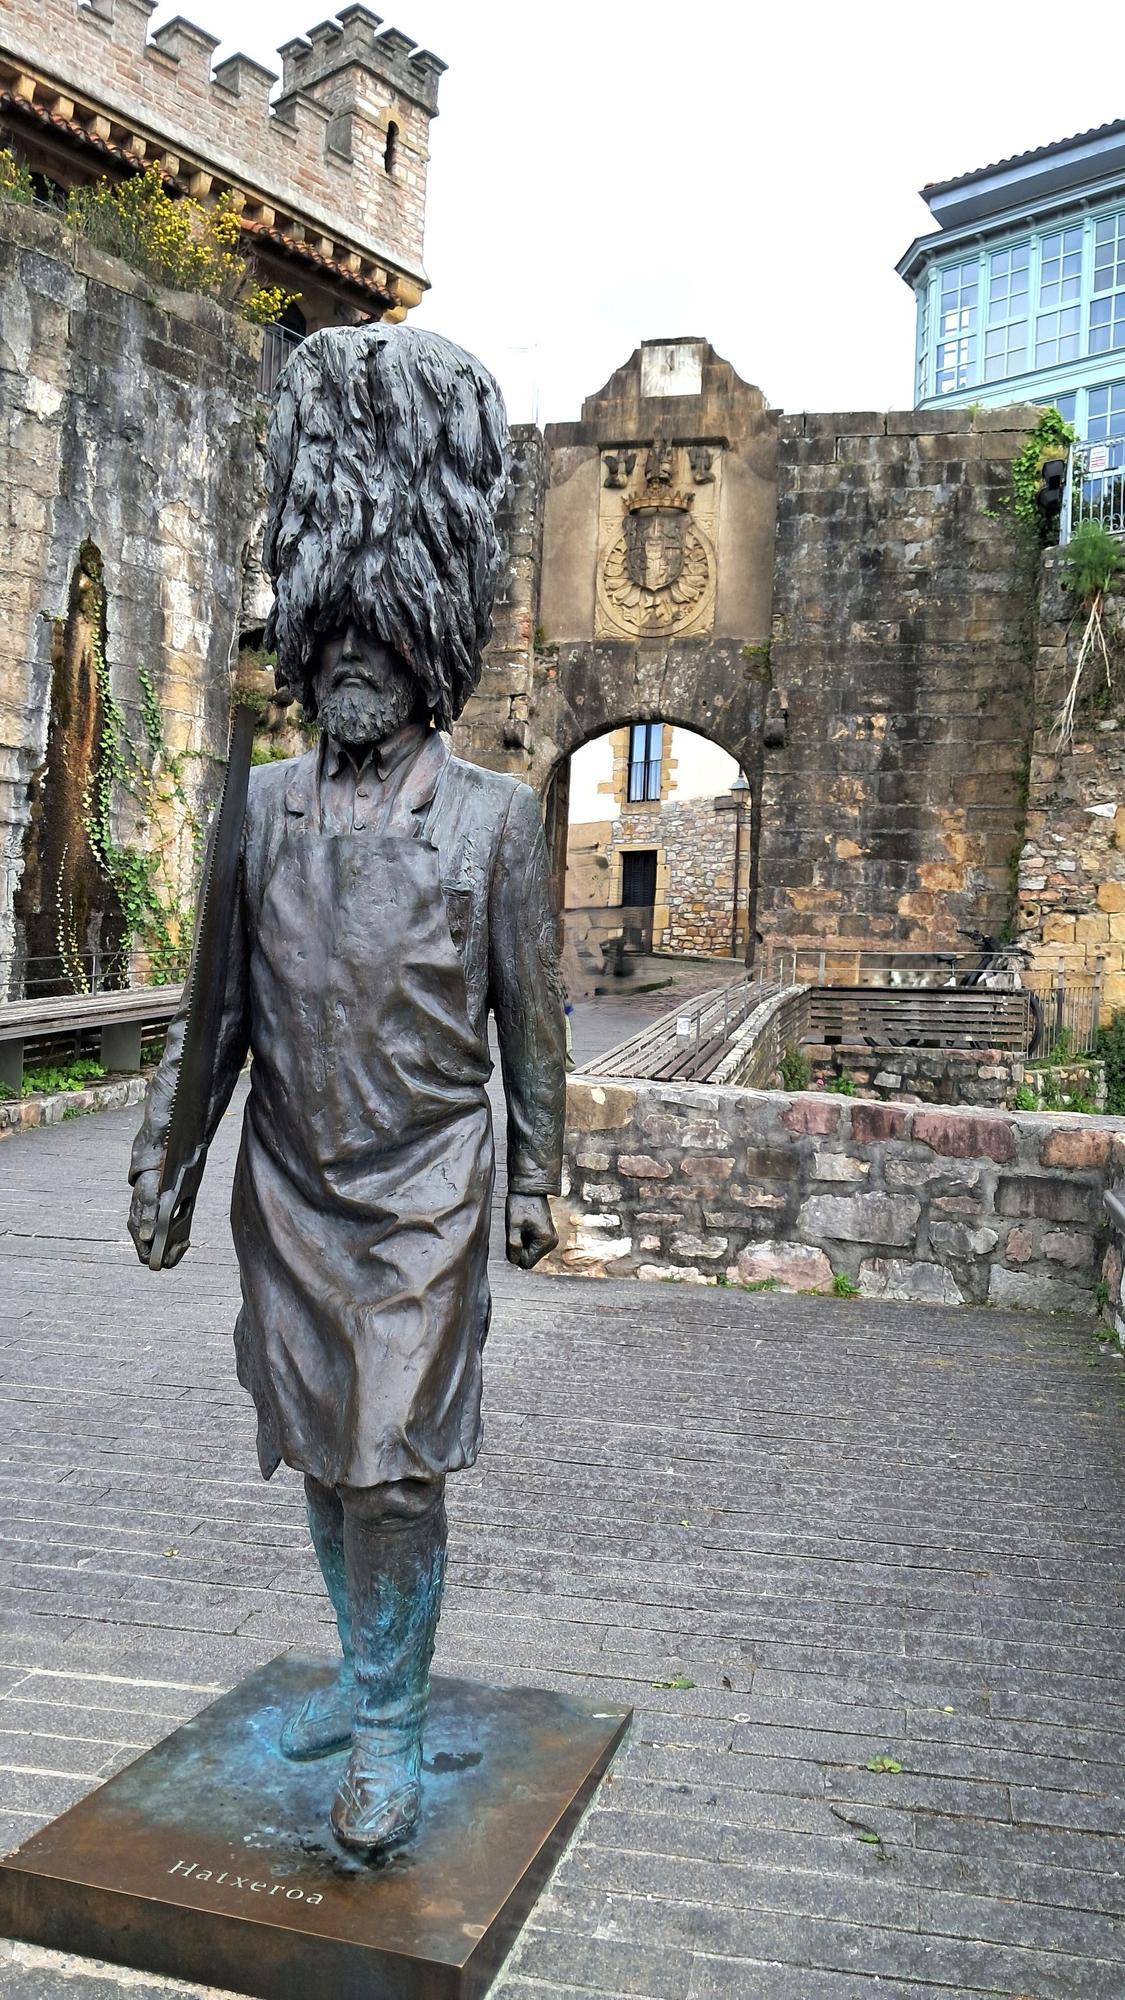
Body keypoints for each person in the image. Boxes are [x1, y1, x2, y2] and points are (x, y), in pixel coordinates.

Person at [127, 324, 565, 1855]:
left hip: (429, 1187)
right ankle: (372, 1665)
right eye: (334, 650)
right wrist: (168, 1160)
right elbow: (211, 1008)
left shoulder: (499, 821)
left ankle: (387, 1721)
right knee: (324, 1451)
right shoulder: (256, 806)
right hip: (291, 1187)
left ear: (427, 646)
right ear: (309, 646)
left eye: (382, 649)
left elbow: (536, 1020)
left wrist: (540, 1171)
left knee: (395, 1468)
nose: (354, 672)